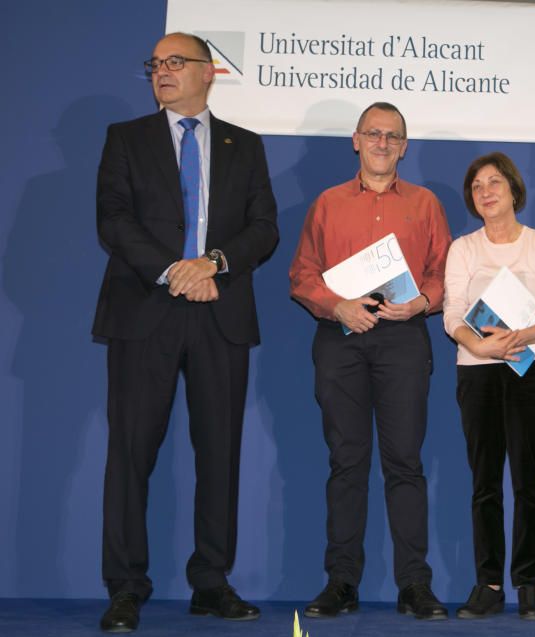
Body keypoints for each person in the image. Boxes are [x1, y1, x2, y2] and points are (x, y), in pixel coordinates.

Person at [93, 32, 279, 633]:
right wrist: (177, 270)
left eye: (176, 62)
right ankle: (125, 586)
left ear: (210, 73)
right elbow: (113, 221)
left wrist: (214, 264)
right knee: (129, 454)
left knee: (220, 454)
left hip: (219, 312)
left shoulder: (245, 146)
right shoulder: (126, 139)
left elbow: (264, 227)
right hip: (145, 310)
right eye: (155, 64)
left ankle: (211, 581)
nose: (162, 72)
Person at [289, 102, 452, 620]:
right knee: (347, 462)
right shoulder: (327, 203)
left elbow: (445, 272)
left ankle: (414, 585)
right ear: (356, 140)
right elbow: (302, 274)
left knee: (405, 462)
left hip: (404, 339)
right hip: (340, 339)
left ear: (405, 147)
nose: (383, 143)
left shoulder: (425, 204)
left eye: (393, 136)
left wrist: (423, 302)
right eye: (373, 134)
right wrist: (337, 305)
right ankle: (341, 582)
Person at [442, 153, 535, 621]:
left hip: (529, 367)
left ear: (514, 190)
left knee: (528, 479)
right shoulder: (463, 249)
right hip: (475, 369)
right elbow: (452, 314)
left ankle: (529, 584)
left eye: (494, 182)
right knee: (484, 483)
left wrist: (527, 335)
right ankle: (488, 583)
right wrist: (476, 346)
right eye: (477, 186)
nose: (485, 192)